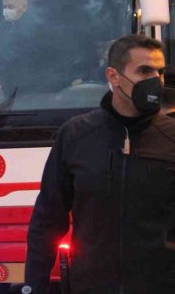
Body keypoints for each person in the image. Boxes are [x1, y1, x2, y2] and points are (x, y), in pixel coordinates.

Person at [24, 34, 175, 293]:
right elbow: (48, 220)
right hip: (91, 286)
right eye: (144, 71)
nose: (155, 81)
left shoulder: (171, 136)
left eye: (159, 72)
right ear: (114, 77)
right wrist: (33, 286)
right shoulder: (76, 135)